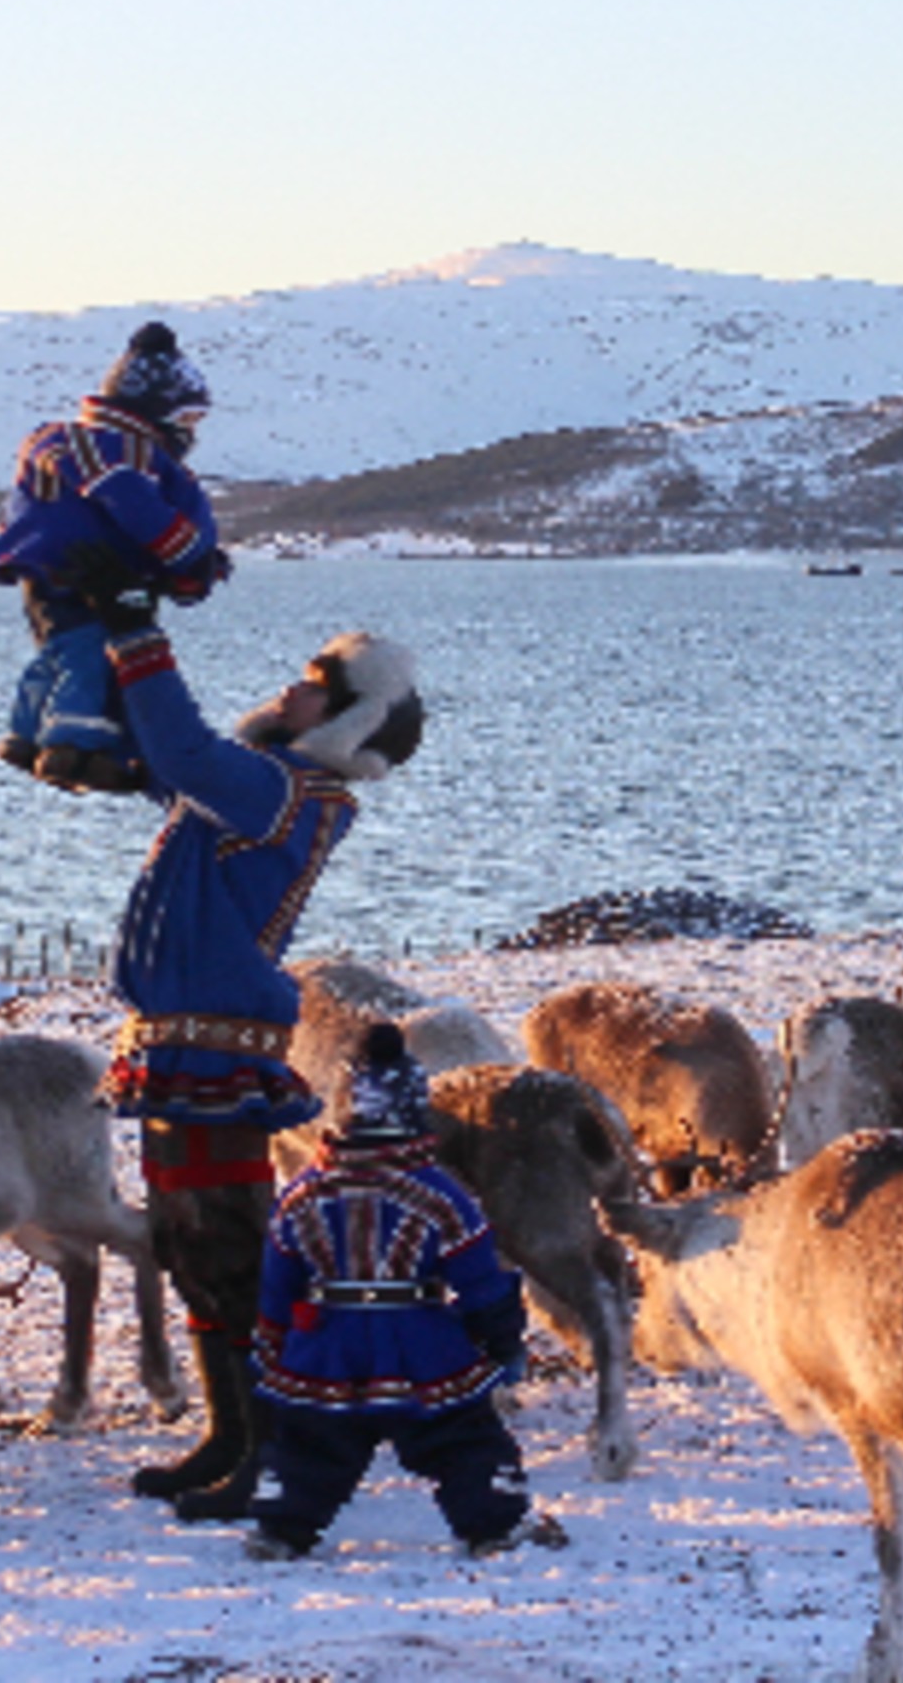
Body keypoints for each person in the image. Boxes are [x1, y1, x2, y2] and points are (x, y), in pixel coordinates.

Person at [88, 590, 427, 1519]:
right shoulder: (262, 783)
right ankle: (231, 1433)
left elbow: (181, 752)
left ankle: (271, 1445)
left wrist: (137, 641)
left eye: (319, 685)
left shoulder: (286, 793)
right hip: (179, 1040)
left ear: (355, 717)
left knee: (230, 1243)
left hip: (217, 1047)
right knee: (188, 1243)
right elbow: (164, 763)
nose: (294, 686)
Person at [242, 1021, 562, 1561]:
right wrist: (501, 1340)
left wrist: (272, 1340)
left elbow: (278, 1280)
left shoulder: (302, 1195)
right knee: (462, 1441)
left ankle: (282, 1525)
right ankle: (492, 1522)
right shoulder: (439, 1195)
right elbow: (480, 1280)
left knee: (311, 1444)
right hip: (423, 1348)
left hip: (325, 1351)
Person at [0, 321, 232, 794]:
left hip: (63, 573)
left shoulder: (67, 443)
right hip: (91, 574)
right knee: (91, 657)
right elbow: (129, 499)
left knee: (61, 652)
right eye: (187, 419)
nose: (190, 432)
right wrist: (183, 551)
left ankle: (37, 734)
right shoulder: (113, 453)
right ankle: (71, 743)